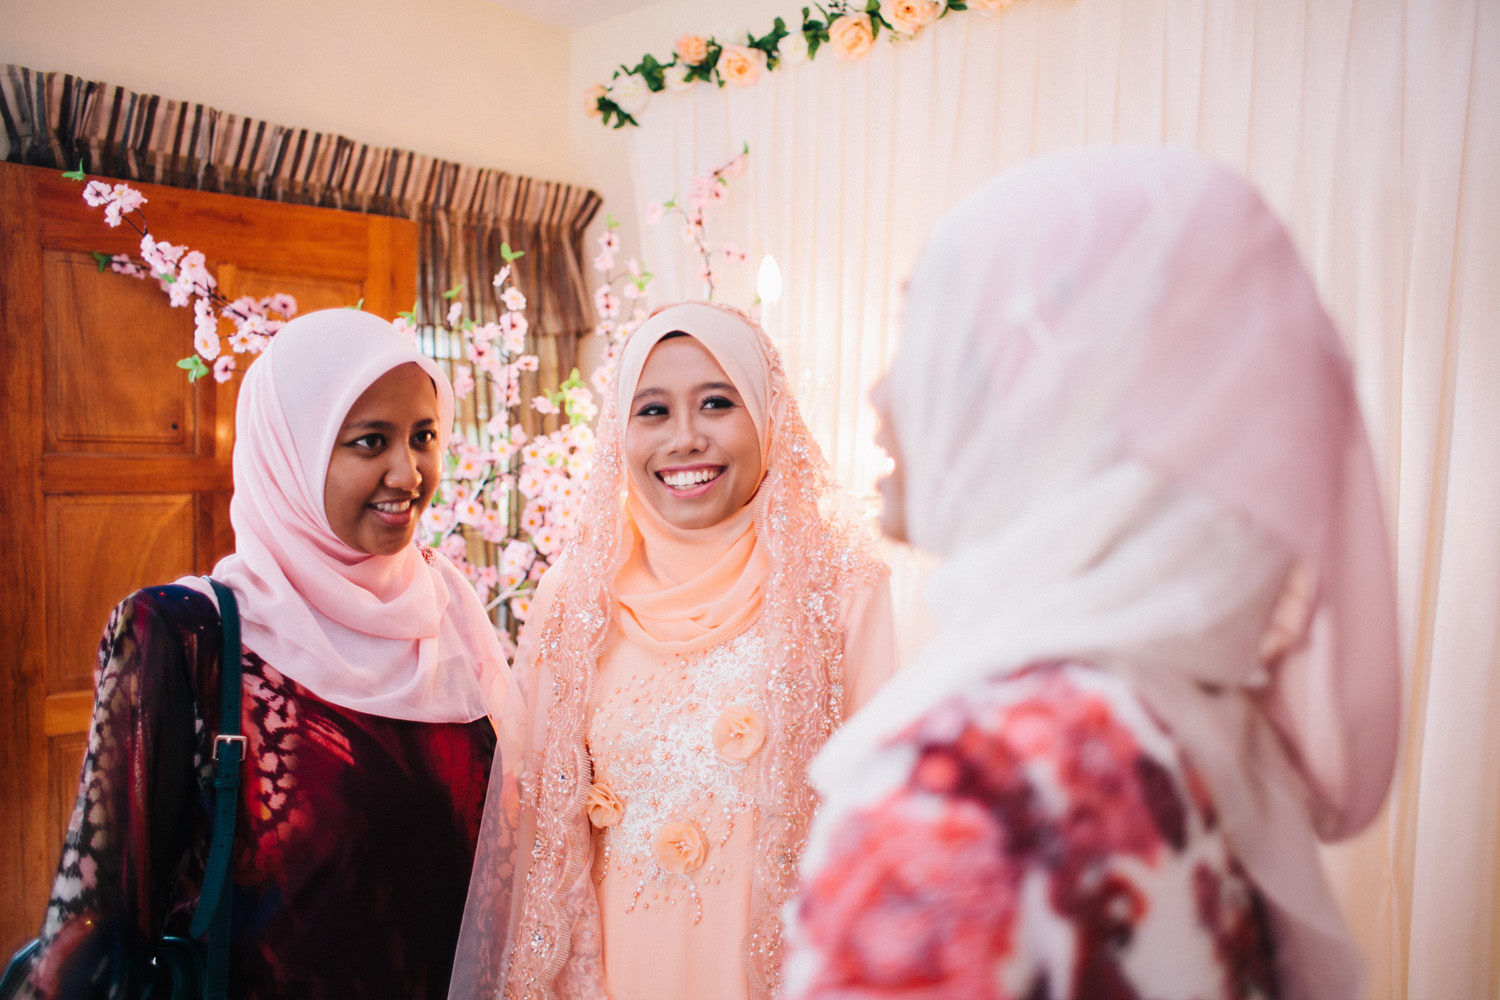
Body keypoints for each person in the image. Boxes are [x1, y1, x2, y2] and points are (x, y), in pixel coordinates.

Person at [783, 148, 1401, 1000]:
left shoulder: (966, 792)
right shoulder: (1194, 726)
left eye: (925, 342)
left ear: (1054, 404)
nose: (880, 392)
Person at [23, 309, 520, 999]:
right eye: (369, 442)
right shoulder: (184, 636)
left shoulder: (450, 608)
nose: (407, 473)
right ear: (290, 453)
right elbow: (99, 927)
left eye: (424, 436)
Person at [450, 303, 898, 1000]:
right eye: (652, 411)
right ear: (619, 431)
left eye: (717, 403)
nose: (686, 438)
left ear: (767, 413)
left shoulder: (840, 588)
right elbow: (536, 840)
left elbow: (881, 832)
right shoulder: (577, 597)